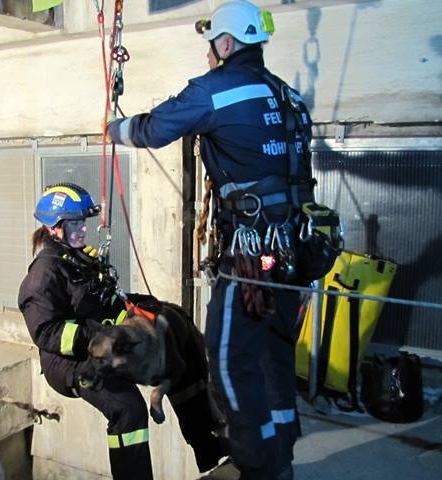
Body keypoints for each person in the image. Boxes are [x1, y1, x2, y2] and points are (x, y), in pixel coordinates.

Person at [106, 1, 314, 478]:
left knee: (227, 362)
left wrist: (115, 128)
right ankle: (280, 451)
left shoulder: (216, 91)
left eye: (210, 44)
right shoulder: (289, 97)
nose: (208, 54)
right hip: (293, 254)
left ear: (225, 42)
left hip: (250, 256)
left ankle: (258, 465)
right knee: (274, 355)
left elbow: (157, 127)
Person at [17, 183, 154, 480]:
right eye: (76, 223)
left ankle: (210, 440)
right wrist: (100, 336)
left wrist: (132, 316)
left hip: (101, 349)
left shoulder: (79, 261)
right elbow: (47, 332)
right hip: (67, 362)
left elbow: (104, 304)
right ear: (55, 228)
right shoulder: (43, 275)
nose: (83, 230)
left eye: (83, 222)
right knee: (128, 409)